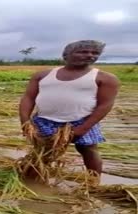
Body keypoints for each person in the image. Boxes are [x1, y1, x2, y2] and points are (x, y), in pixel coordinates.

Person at [19, 40, 119, 177]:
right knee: (43, 151)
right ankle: (35, 178)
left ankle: (93, 182)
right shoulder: (42, 75)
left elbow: (105, 105)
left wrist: (83, 128)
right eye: (83, 52)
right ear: (66, 55)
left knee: (88, 150)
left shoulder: (105, 78)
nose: (90, 55)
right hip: (45, 120)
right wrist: (25, 122)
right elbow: (28, 98)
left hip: (82, 121)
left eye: (95, 53)